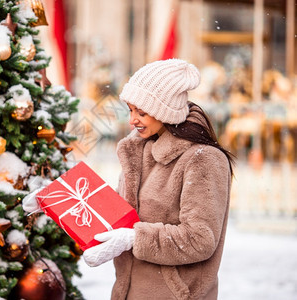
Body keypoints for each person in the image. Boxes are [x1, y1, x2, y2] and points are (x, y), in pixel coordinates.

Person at [23, 58, 234, 300]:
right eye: (131, 110)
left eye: (142, 112)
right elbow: (115, 213)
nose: (132, 120)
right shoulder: (140, 150)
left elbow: (200, 239)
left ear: (164, 111)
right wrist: (58, 200)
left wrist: (134, 238)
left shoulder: (203, 159)